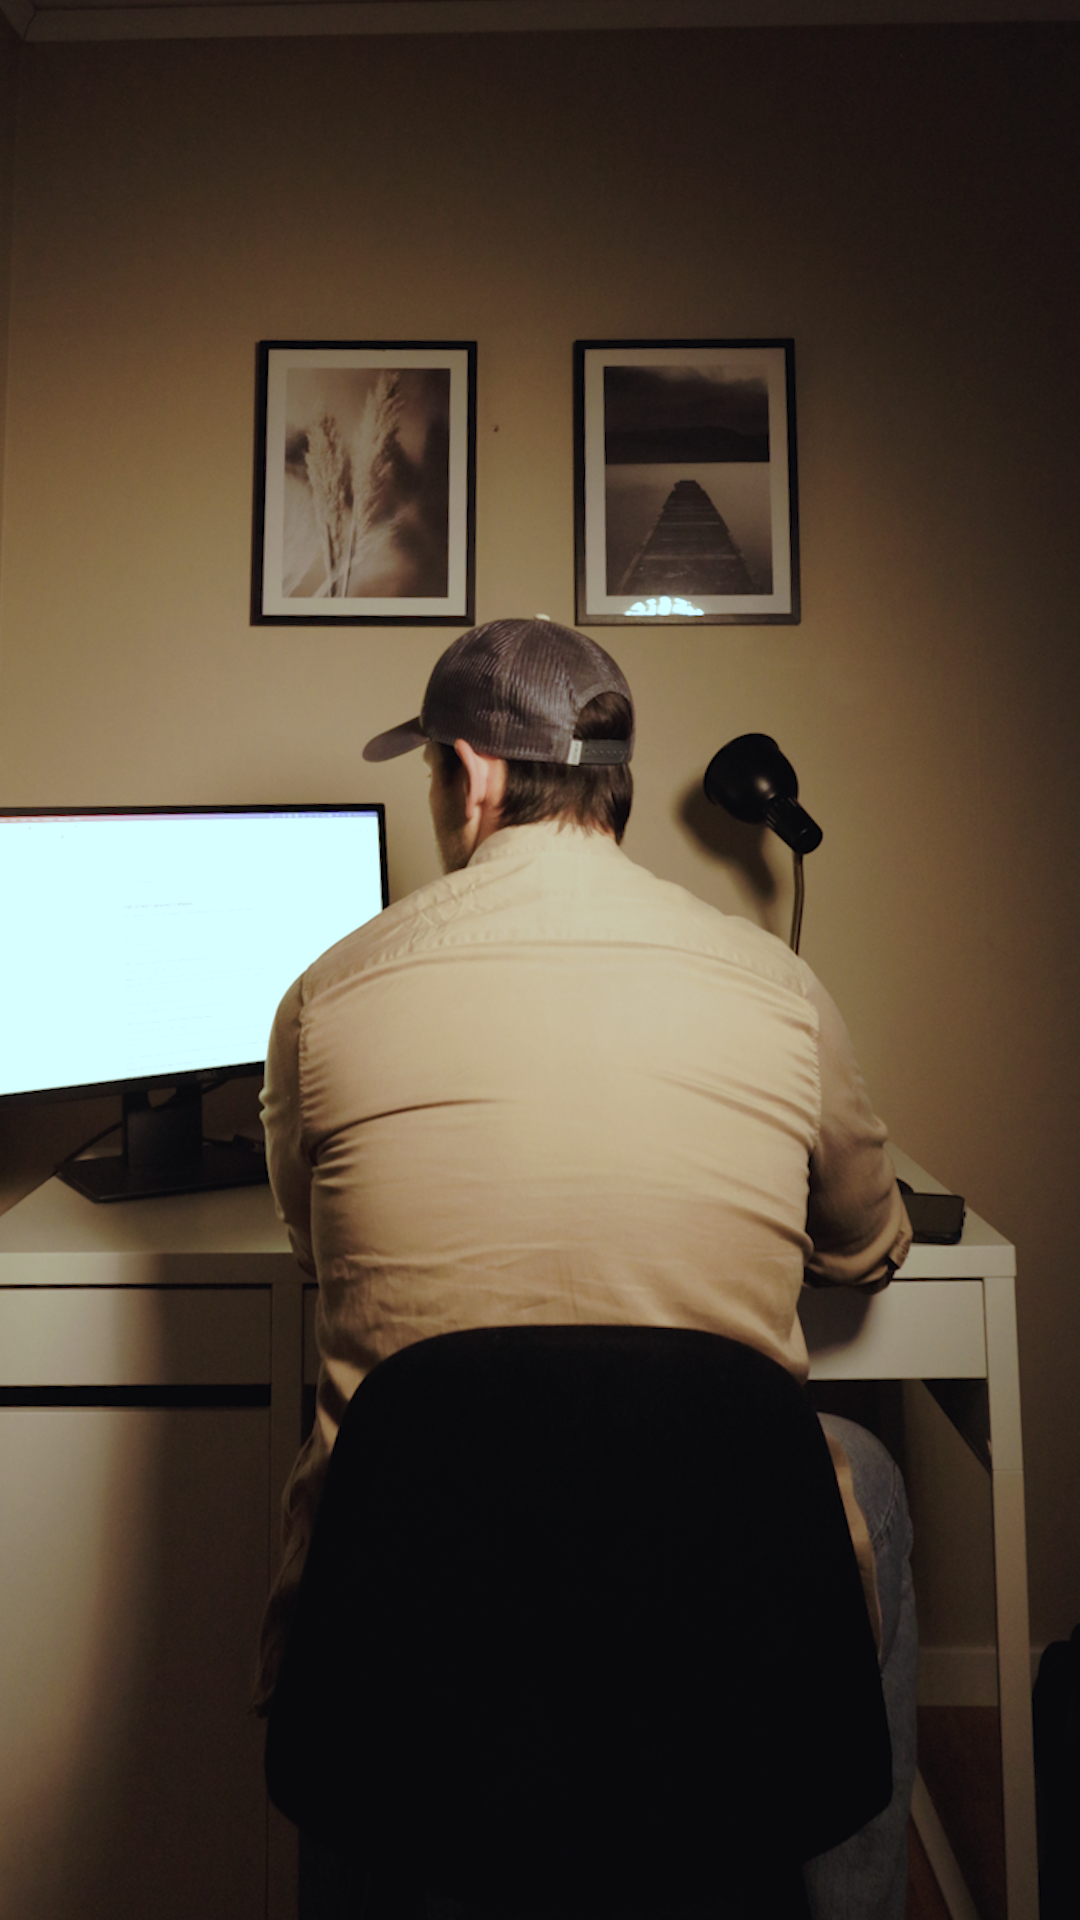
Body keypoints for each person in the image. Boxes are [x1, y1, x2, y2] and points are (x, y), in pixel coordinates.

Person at [258, 617, 915, 1918]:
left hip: (416, 1637)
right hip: (715, 1639)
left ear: (476, 777)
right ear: (610, 778)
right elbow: (867, 1244)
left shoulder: (326, 996)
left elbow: (311, 1244)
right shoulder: (777, 989)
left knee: (341, 1486)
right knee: (873, 1482)